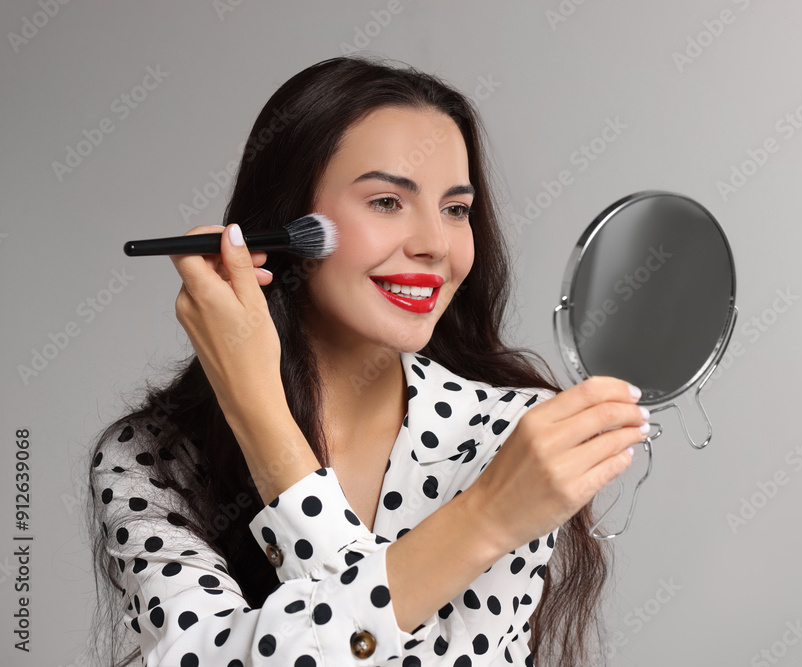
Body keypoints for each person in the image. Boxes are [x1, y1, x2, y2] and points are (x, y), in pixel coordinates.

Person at [86, 55, 649, 667]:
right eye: (386, 202)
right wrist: (486, 520)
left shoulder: (508, 436)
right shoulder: (150, 458)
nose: (434, 244)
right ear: (284, 223)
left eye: (456, 209)